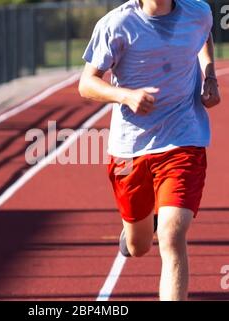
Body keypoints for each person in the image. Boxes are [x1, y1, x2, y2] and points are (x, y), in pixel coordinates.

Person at [79, 0, 221, 301]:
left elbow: (204, 34)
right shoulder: (116, 24)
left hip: (183, 139)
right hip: (129, 150)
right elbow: (86, 83)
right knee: (139, 246)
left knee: (172, 235)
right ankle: (136, 233)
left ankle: (163, 221)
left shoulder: (198, 12)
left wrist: (210, 77)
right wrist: (124, 95)